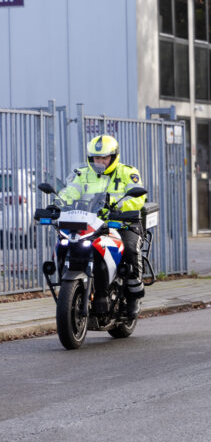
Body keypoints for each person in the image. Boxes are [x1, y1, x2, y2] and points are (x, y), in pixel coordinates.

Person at [59, 135, 147, 319]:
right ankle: (72, 288)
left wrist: (116, 204)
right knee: (65, 243)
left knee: (130, 249)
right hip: (91, 222)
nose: (99, 162)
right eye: (96, 158)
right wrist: (57, 203)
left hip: (123, 222)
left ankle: (134, 296)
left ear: (114, 157)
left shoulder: (127, 172)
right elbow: (70, 190)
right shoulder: (83, 173)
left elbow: (138, 198)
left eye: (104, 158)